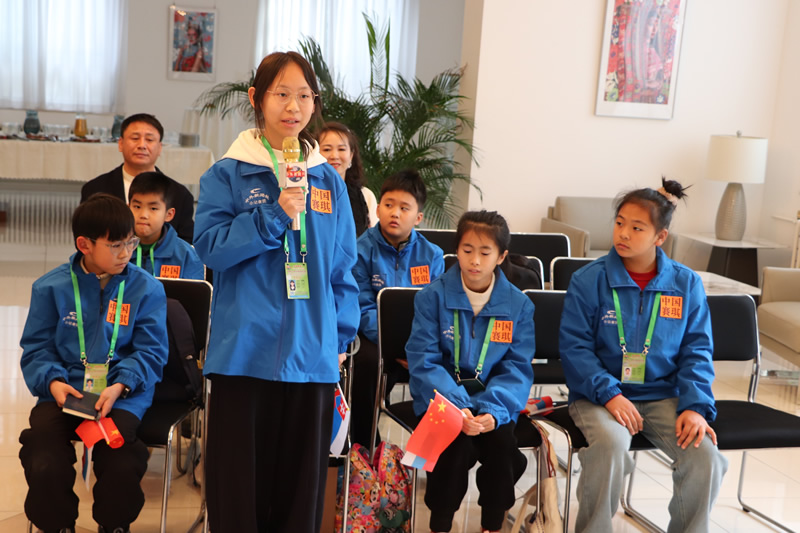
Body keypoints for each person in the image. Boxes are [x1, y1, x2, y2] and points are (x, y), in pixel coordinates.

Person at [193, 51, 360, 533]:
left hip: (312, 357)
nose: (293, 106)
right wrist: (273, 216)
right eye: (282, 94)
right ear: (256, 99)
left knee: (299, 494)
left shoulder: (327, 180)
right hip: (244, 353)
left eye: (304, 96)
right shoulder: (228, 173)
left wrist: (338, 337)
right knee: (238, 492)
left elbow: (342, 270)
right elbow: (211, 248)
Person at [559, 178, 728, 533]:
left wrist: (695, 407)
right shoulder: (588, 280)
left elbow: (697, 350)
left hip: (662, 395)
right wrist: (610, 394)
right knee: (611, 444)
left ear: (660, 237)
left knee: (705, 457)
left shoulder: (685, 284)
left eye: (637, 228)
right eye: (620, 223)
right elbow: (575, 349)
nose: (623, 233)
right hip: (599, 396)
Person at [18, 193, 169, 533]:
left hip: (122, 394)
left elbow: (152, 351)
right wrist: (54, 383)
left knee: (121, 460)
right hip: (63, 392)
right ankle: (56, 525)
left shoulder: (146, 289)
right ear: (84, 245)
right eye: (115, 245)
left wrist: (121, 385)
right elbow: (37, 348)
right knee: (43, 455)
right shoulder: (50, 287)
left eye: (130, 242)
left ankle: (114, 526)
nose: (126, 253)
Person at [405, 210, 535, 533]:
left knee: (502, 444)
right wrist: (455, 406)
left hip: (494, 401)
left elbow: (517, 367)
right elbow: (424, 360)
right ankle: (440, 524)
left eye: (485, 252)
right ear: (456, 250)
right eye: (467, 250)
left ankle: (491, 525)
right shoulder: (431, 297)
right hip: (443, 399)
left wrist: (494, 411)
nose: (475, 261)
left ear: (501, 256)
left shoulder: (518, 306)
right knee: (453, 444)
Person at [349, 169, 445, 447]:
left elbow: (437, 309)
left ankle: (437, 448)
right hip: (374, 337)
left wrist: (415, 347)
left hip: (418, 340)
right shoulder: (360, 250)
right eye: (389, 205)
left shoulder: (432, 255)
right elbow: (362, 307)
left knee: (449, 360)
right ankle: (364, 447)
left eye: (404, 208)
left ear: (418, 217)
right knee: (367, 363)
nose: (395, 213)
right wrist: (397, 346)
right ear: (378, 208)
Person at [81, 113, 196, 243]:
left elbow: (187, 242)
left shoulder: (180, 194)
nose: (142, 145)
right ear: (120, 144)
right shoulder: (95, 189)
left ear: (159, 148)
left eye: (149, 140)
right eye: (135, 138)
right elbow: (85, 238)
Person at [127, 171, 205, 280]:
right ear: (127, 208)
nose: (143, 215)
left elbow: (194, 290)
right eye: (137, 207)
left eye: (153, 208)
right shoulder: (115, 248)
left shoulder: (186, 255)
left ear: (169, 214)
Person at [317, 121, 377, 236]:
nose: (334, 156)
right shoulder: (307, 192)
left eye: (341, 149)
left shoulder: (366, 196)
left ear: (351, 155)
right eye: (327, 149)